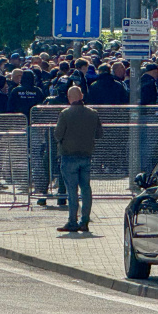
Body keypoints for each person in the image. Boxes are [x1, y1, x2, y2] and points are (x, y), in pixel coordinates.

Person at [54, 86, 103, 233]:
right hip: (86, 155)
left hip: (69, 155)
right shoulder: (93, 113)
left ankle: (72, 221)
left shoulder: (65, 114)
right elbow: (99, 134)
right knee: (86, 189)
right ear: (81, 95)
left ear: (69, 98)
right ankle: (85, 221)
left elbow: (57, 135)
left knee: (72, 190)